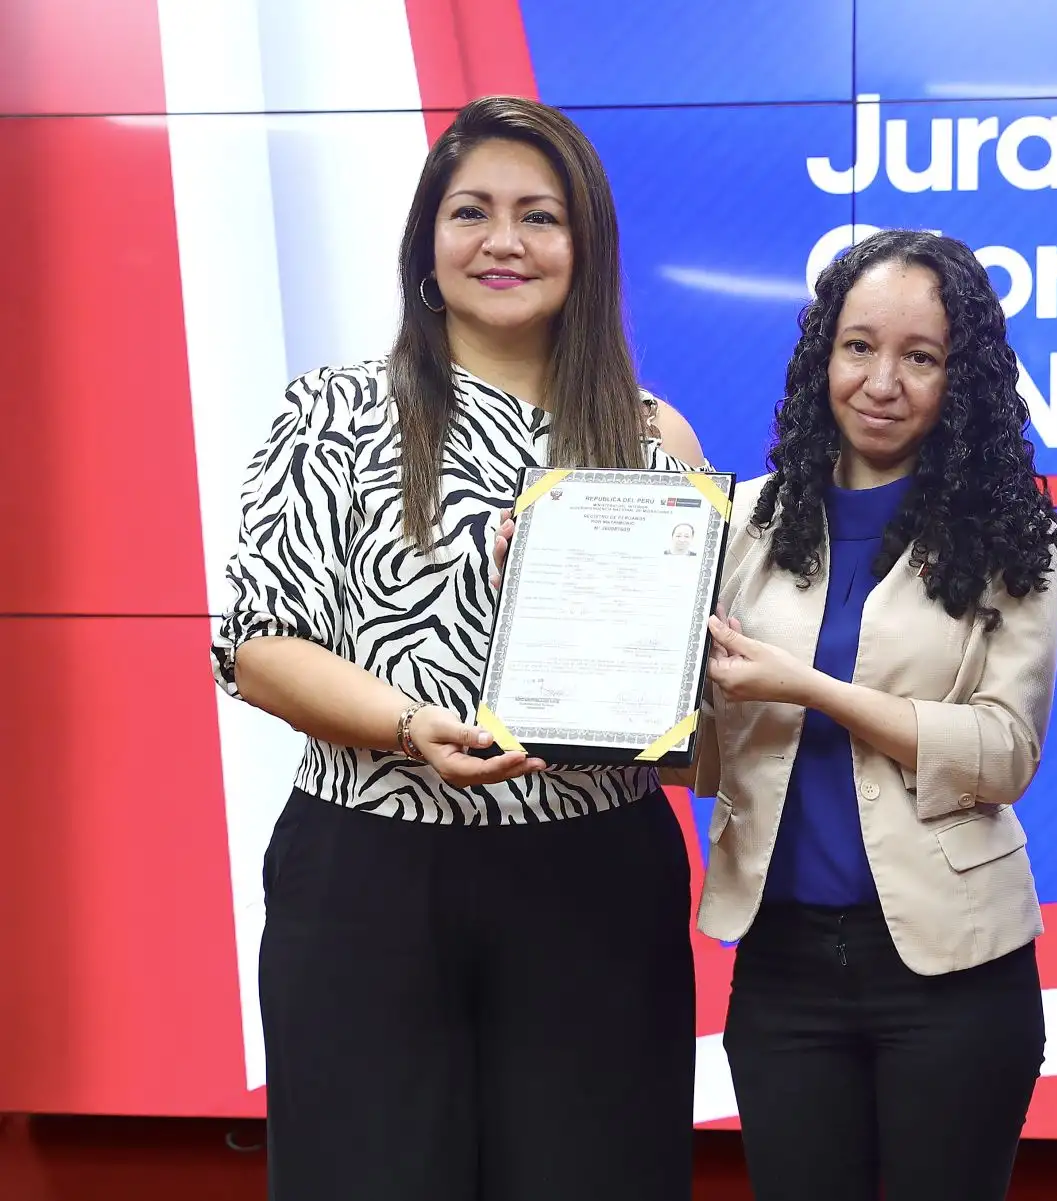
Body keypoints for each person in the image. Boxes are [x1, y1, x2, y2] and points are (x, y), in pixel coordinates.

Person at [212, 95, 706, 1201]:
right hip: (371, 872)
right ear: (427, 244)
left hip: (594, 878)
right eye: (470, 211)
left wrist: (699, 705)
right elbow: (256, 645)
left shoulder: (651, 435)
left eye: (540, 216)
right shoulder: (332, 413)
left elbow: (688, 715)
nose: (503, 241)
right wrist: (406, 724)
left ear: (586, 248)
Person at [687, 228, 1057, 1201]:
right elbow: (696, 742)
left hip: (955, 971)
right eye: (859, 347)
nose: (882, 380)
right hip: (782, 965)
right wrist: (559, 596)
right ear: (824, 354)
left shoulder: (1010, 536)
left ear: (963, 378)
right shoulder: (746, 522)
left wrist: (811, 688)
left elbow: (1005, 751)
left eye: (922, 356)